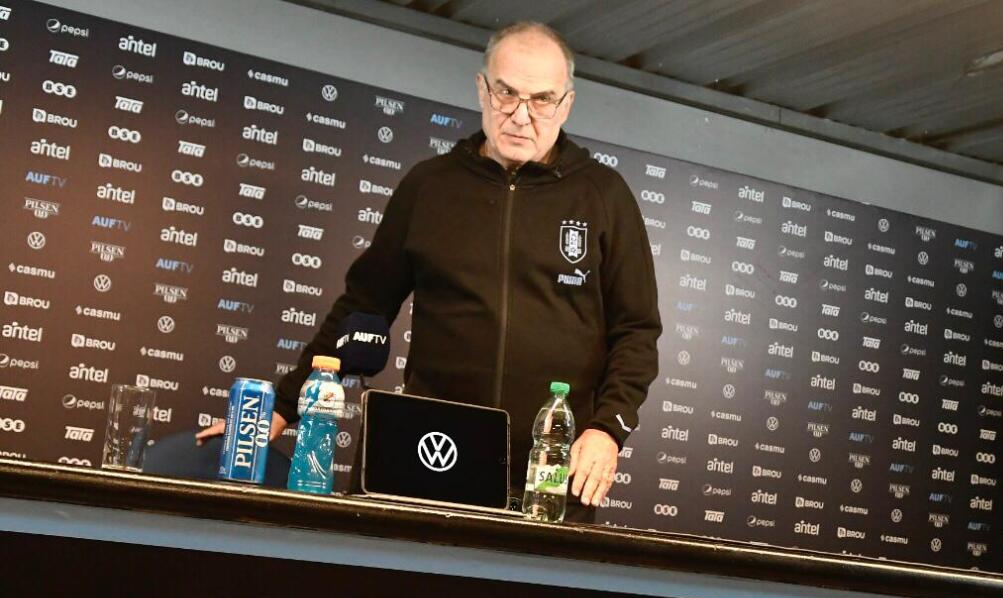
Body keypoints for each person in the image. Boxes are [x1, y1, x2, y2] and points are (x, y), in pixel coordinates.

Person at [199, 21, 661, 514]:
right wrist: (282, 407)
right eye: (506, 92)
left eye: (542, 99)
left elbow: (636, 332)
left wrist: (606, 429)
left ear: (566, 104)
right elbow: (363, 308)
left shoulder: (605, 196)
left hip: (548, 471)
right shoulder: (429, 186)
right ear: (482, 89)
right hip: (430, 458)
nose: (521, 115)